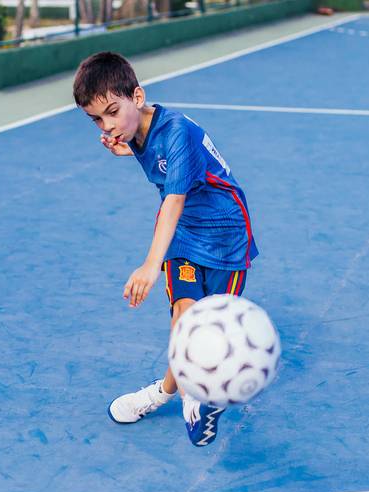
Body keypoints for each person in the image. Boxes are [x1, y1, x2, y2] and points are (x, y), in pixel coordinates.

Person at [72, 52, 258, 447]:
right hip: (186, 238)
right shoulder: (139, 130)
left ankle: (171, 391)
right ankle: (185, 397)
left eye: (112, 112)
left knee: (205, 329)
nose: (107, 126)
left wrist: (149, 265)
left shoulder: (177, 133)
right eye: (97, 120)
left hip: (227, 234)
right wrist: (131, 147)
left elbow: (172, 200)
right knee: (184, 317)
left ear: (136, 96)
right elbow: (154, 160)